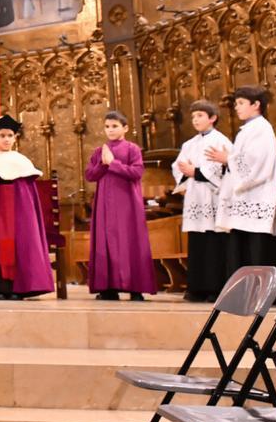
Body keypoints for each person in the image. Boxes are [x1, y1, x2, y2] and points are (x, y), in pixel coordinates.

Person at [0, 115, 54, 299]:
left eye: (9, 135)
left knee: (18, 244)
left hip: (17, 213)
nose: (6, 139)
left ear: (15, 138)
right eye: (2, 135)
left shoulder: (23, 164)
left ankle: (17, 289)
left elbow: (28, 200)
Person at [208, 86, 276, 274]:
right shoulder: (248, 129)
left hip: (257, 195)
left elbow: (257, 162)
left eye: (240, 103)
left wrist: (228, 158)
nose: (236, 108)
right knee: (241, 247)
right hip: (245, 197)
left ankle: (258, 293)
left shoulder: (261, 128)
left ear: (256, 104)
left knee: (257, 250)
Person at [85, 110, 156, 301]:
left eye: (114, 126)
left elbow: (137, 172)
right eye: (107, 126)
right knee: (105, 242)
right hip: (104, 205)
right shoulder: (100, 151)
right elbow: (90, 175)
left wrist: (113, 163)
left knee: (129, 241)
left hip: (127, 204)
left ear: (125, 128)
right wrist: (102, 164)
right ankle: (108, 288)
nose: (110, 130)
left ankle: (135, 287)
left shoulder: (132, 149)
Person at [172, 100, 233, 302]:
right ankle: (196, 288)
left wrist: (195, 171)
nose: (195, 120)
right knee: (197, 243)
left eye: (200, 115)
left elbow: (224, 168)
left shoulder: (221, 140)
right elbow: (178, 165)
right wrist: (184, 171)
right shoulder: (189, 144)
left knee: (214, 244)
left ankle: (215, 289)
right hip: (195, 197)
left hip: (214, 198)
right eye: (193, 116)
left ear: (212, 118)